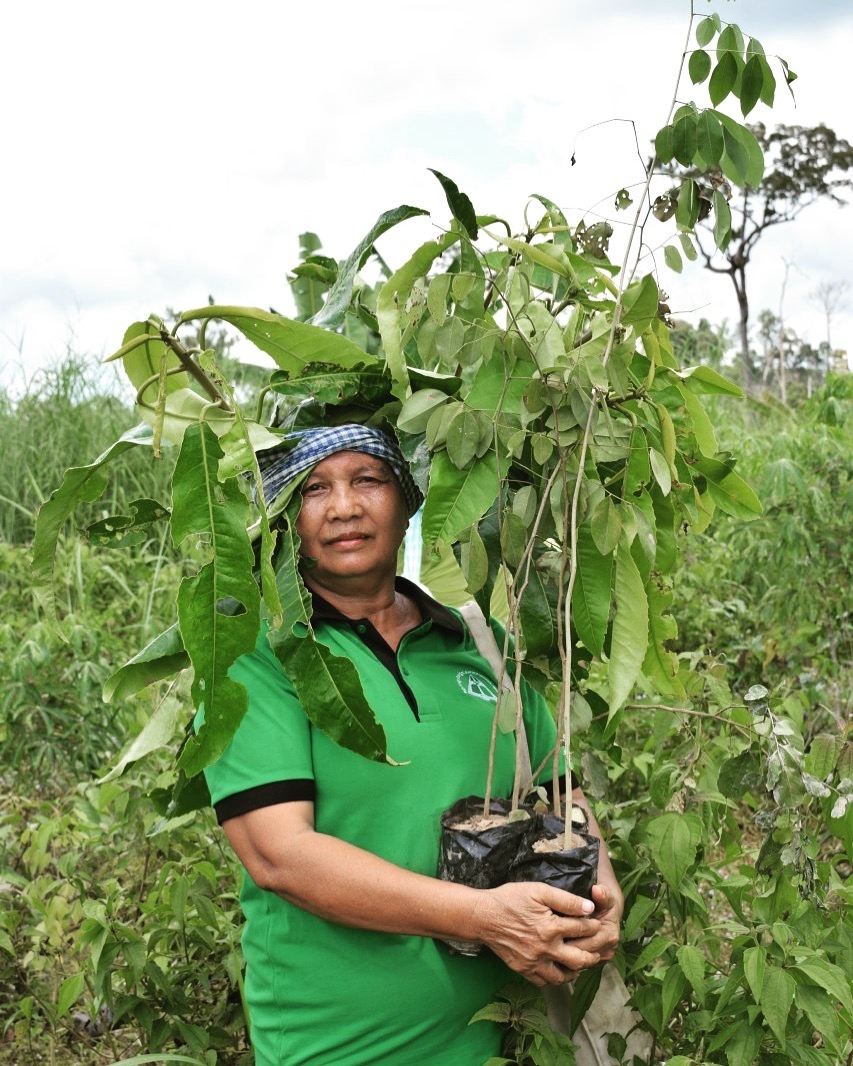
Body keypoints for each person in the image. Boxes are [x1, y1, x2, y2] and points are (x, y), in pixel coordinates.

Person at [200, 424, 623, 1066]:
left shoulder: (481, 642)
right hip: (342, 1046)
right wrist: (485, 918)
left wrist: (597, 876)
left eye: (367, 480)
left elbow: (559, 786)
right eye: (314, 488)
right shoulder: (259, 657)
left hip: (506, 1035)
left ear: (407, 504)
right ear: (285, 521)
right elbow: (280, 857)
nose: (344, 506)